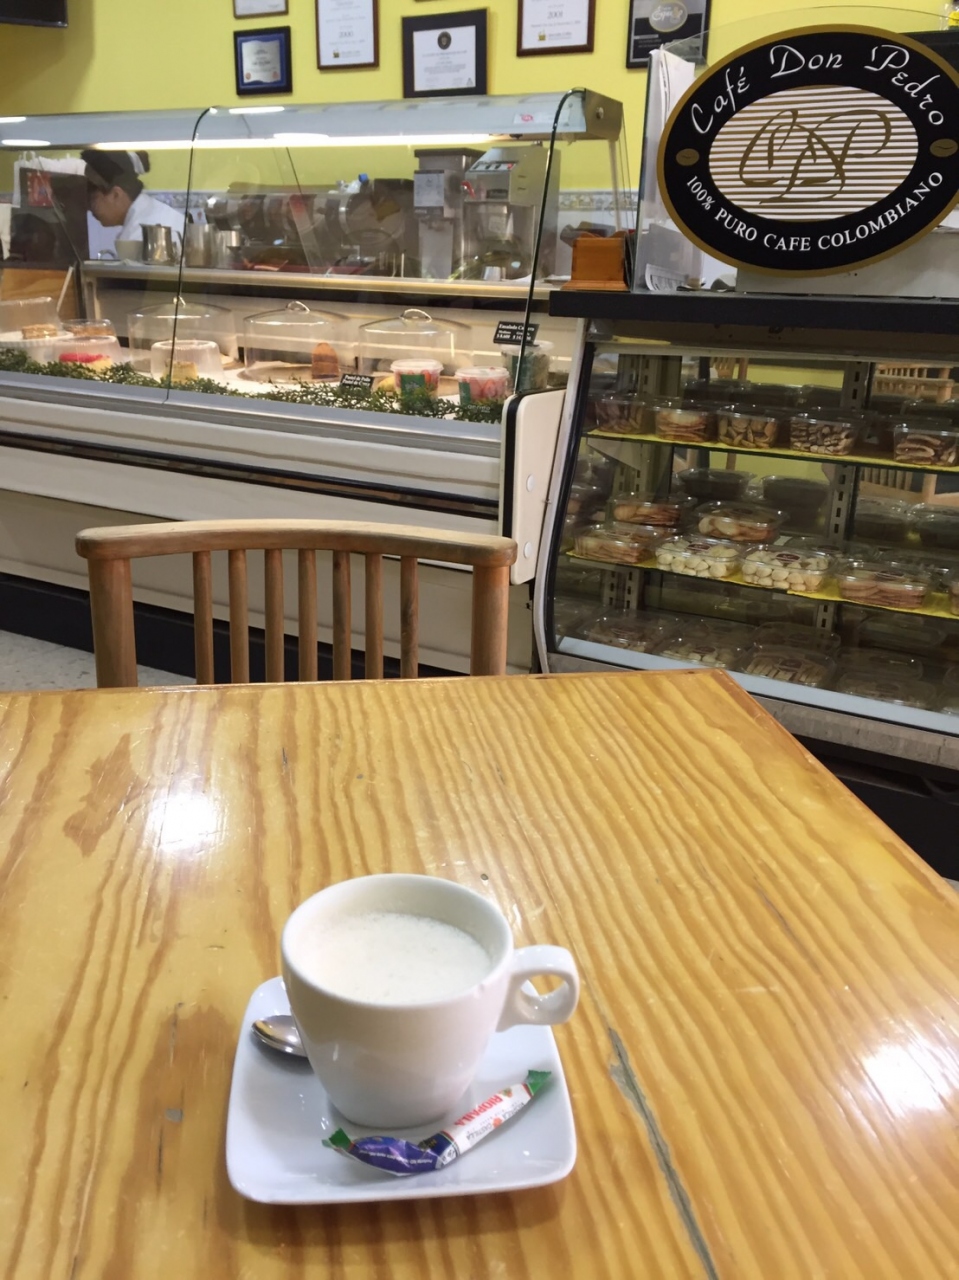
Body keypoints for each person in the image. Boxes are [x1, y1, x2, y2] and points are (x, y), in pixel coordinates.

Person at [82, 149, 185, 245]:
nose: (89, 208)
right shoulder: (151, 212)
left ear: (116, 195)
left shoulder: (140, 235)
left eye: (92, 199)